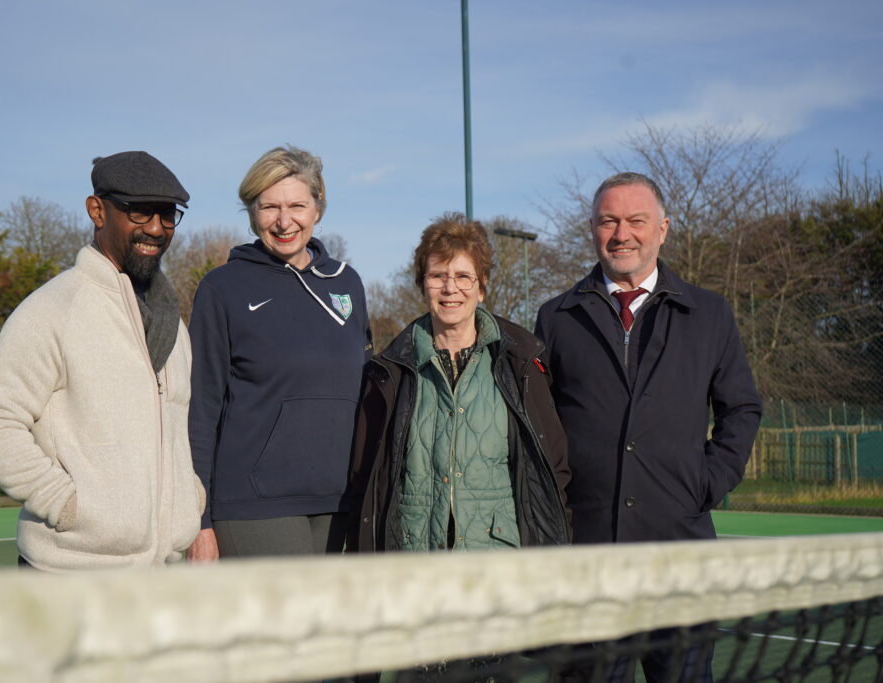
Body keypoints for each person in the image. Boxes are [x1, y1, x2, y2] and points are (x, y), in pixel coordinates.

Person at [535, 172, 762, 680]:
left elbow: (742, 410)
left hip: (679, 558)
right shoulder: (555, 318)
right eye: (608, 221)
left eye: (636, 220)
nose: (622, 234)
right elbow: (540, 427)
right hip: (587, 562)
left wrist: (706, 482)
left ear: (662, 228)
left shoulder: (710, 314)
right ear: (592, 229)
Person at [0, 151, 205, 571]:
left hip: (160, 571)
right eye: (138, 211)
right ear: (97, 211)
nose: (155, 228)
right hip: (68, 573)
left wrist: (191, 496)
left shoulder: (173, 324)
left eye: (168, 215)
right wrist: (65, 504)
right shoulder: (52, 310)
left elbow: (177, 430)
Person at [186, 145, 371, 560]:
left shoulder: (348, 284)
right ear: (252, 213)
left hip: (339, 499)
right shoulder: (223, 288)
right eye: (270, 207)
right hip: (253, 504)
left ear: (317, 208)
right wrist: (199, 520)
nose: (284, 221)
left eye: (297, 206)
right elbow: (200, 409)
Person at [347, 213, 571, 554]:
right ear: (422, 285)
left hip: (498, 560)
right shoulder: (390, 372)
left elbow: (552, 466)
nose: (450, 288)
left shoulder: (520, 364)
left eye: (463, 276)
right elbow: (366, 478)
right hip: (415, 560)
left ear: (481, 287)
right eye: (438, 275)